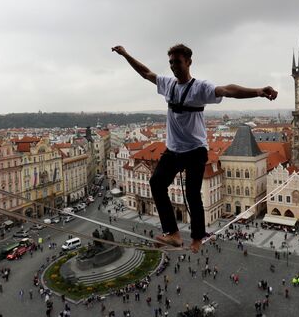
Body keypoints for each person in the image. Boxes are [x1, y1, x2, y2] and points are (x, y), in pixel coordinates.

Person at [112, 44, 277, 253]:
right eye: (171, 62)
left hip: (196, 150)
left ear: (188, 62)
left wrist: (258, 91)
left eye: (177, 62)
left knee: (192, 193)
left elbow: (228, 90)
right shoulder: (168, 84)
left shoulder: (200, 88)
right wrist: (126, 55)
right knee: (156, 183)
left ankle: (197, 236)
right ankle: (172, 233)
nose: (173, 67)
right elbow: (146, 73)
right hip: (173, 149)